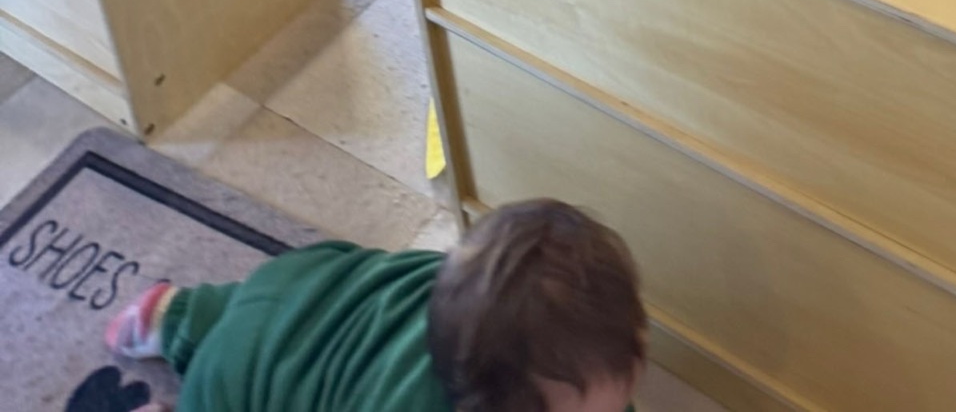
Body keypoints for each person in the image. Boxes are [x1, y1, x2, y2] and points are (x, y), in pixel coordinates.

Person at [103, 198, 645, 412]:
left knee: (256, 315)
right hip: (240, 381)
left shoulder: (473, 307)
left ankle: (181, 313)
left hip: (316, 283)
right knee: (242, 351)